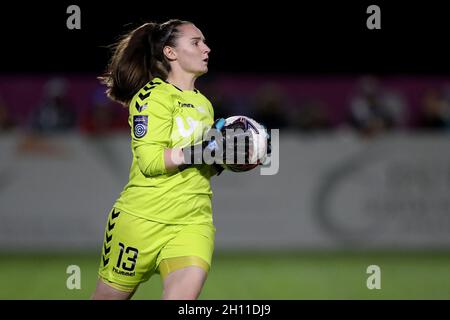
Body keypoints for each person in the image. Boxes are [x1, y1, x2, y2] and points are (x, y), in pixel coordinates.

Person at [91, 19, 250, 300]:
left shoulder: (204, 103)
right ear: (170, 53)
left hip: (192, 222)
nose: (207, 48)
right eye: (196, 42)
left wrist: (234, 159)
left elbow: (203, 164)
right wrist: (205, 150)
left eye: (204, 42)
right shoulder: (152, 97)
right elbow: (151, 162)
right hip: (141, 221)